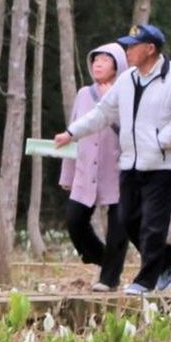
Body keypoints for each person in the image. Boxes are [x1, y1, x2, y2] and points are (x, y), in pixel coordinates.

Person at [54, 22, 171, 294]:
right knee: (129, 220)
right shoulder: (128, 79)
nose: (127, 51)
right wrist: (71, 133)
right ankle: (167, 259)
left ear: (150, 49)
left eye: (133, 47)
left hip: (162, 164)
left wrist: (159, 142)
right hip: (131, 162)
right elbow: (102, 113)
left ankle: (146, 281)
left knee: (153, 224)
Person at [57, 42, 127, 290]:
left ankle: (109, 279)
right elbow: (72, 132)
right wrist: (68, 174)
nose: (98, 63)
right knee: (75, 220)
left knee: (119, 226)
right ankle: (103, 258)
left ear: (118, 66)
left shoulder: (126, 93)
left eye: (106, 60)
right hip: (87, 169)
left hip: (118, 169)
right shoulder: (83, 94)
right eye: (95, 59)